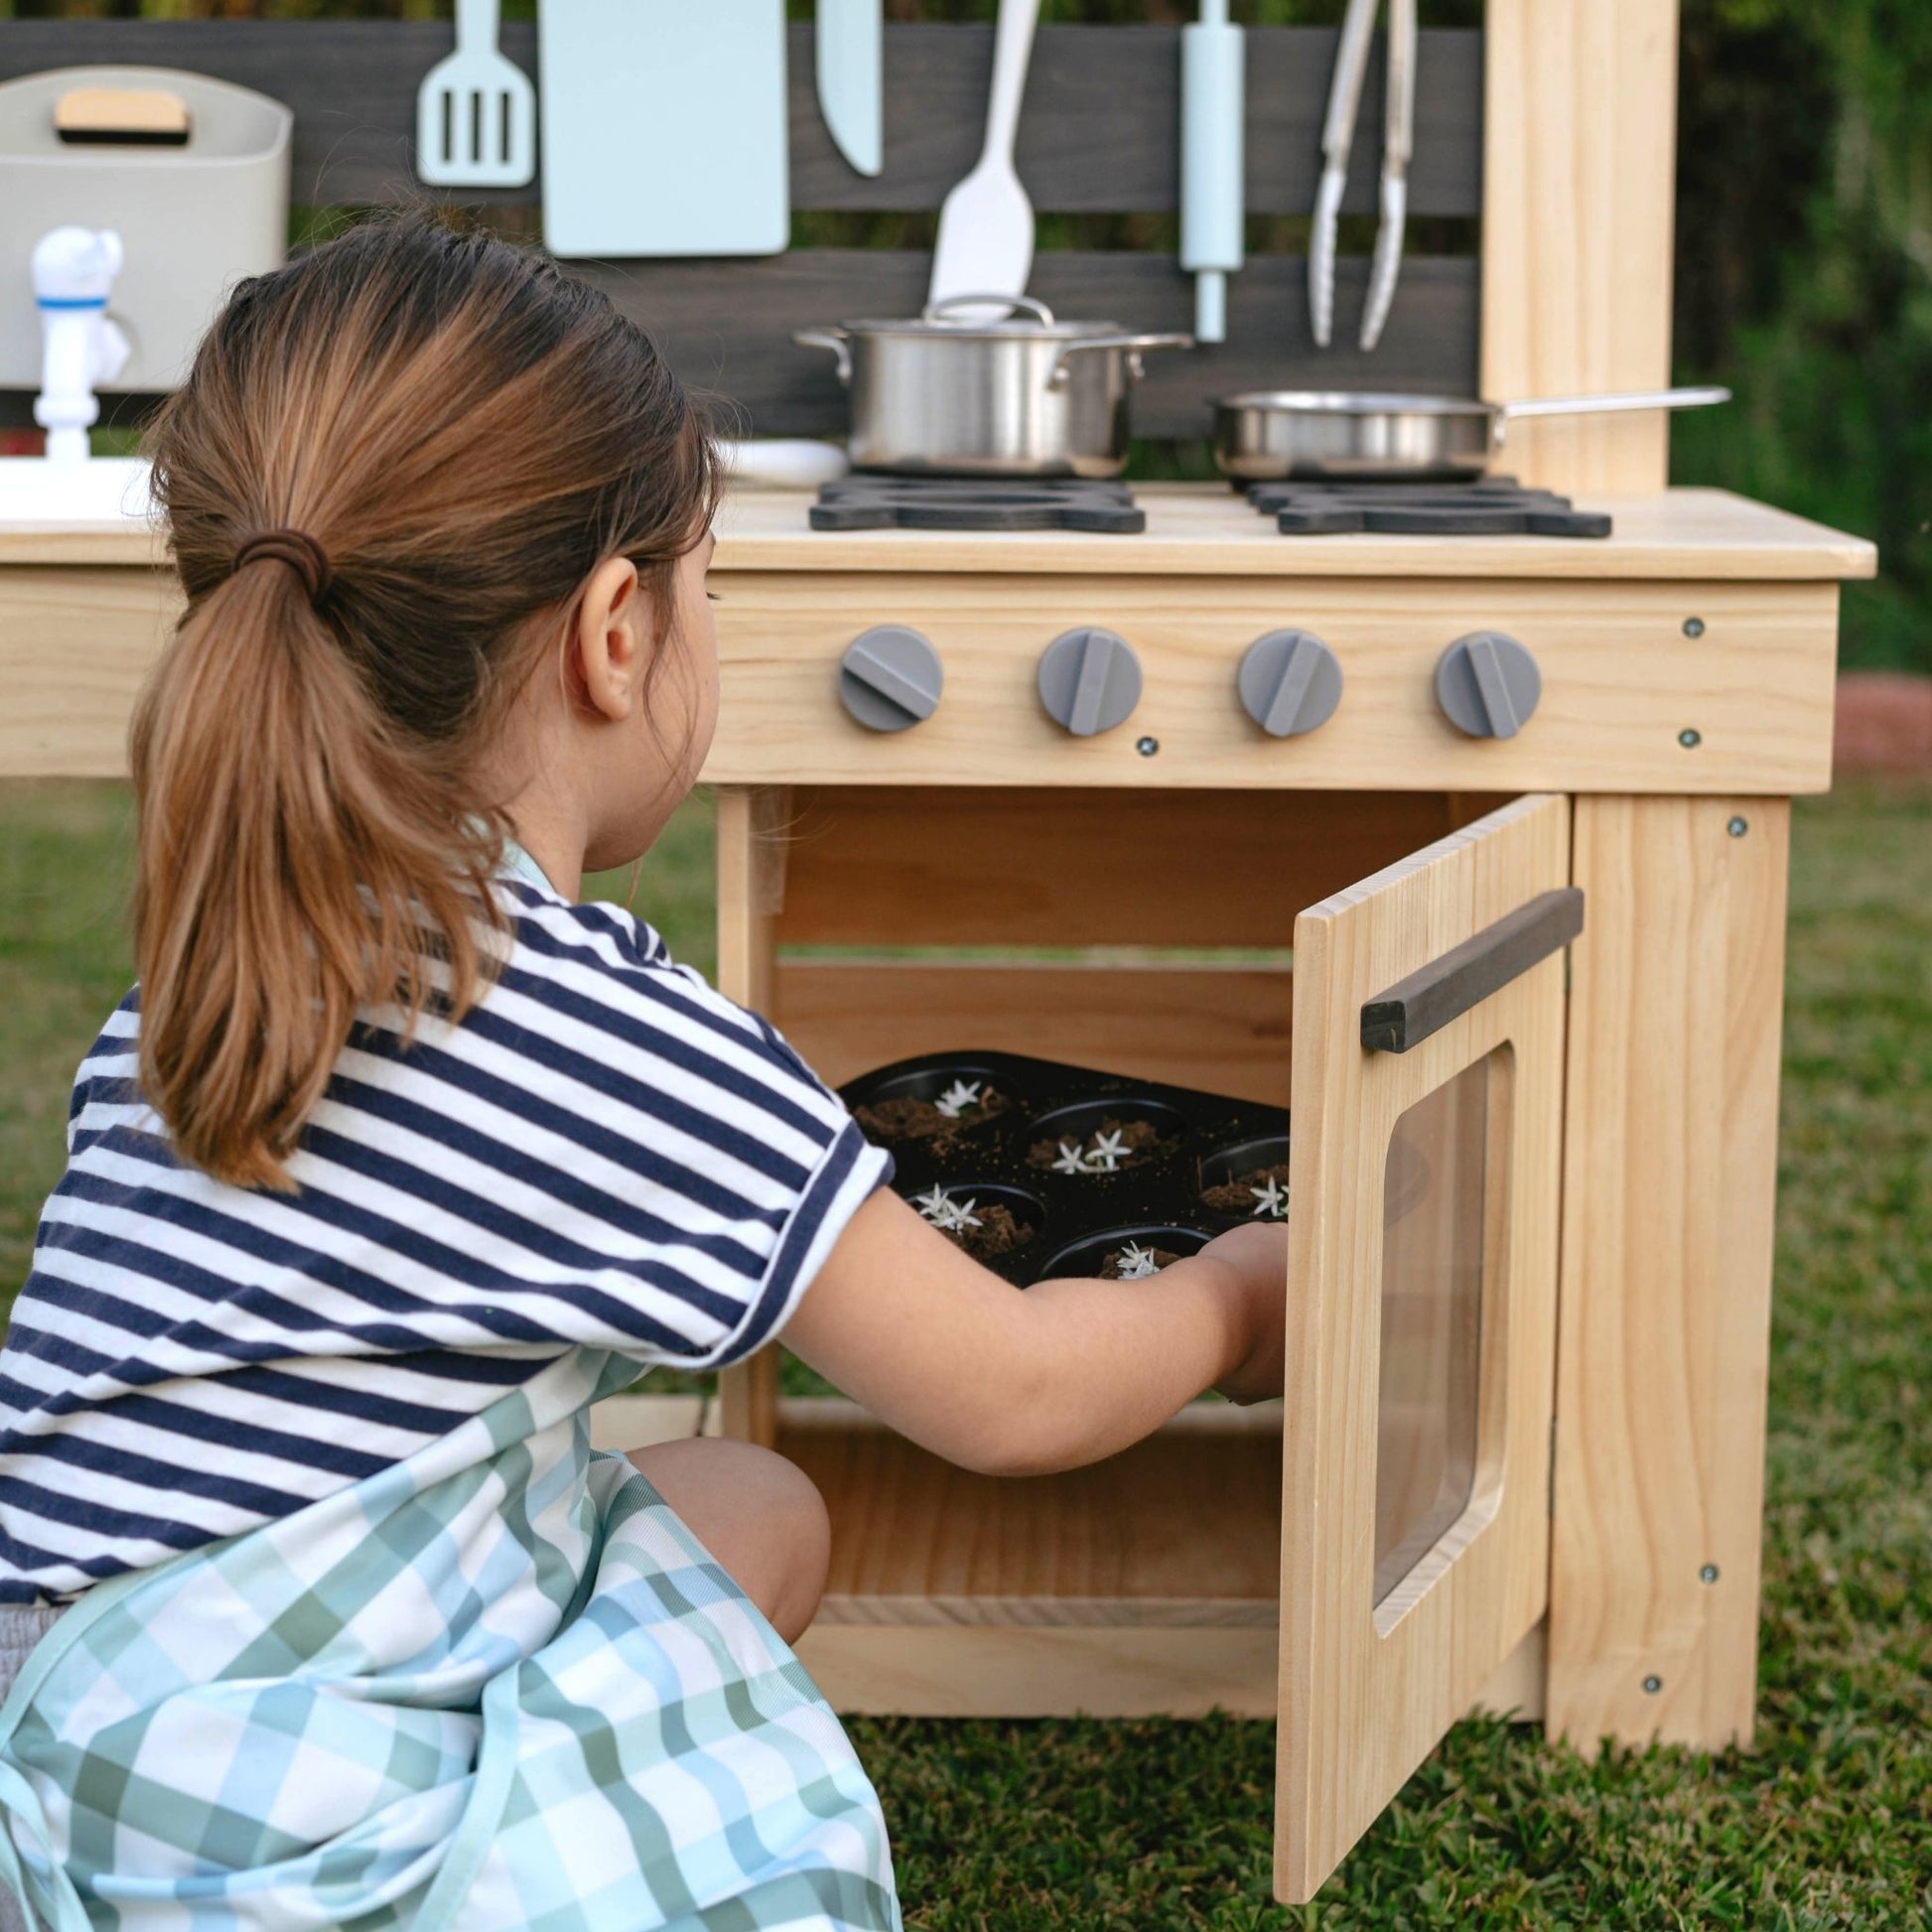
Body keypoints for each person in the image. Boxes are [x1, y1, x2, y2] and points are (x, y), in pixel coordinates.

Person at [0, 214, 1287, 1932]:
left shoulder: (211, 978)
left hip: (76, 1785)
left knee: (736, 1495)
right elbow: (1018, 1391)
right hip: (286, 1852)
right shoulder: (590, 1030)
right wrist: (1249, 1289)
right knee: (755, 1520)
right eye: (710, 584)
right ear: (619, 632)